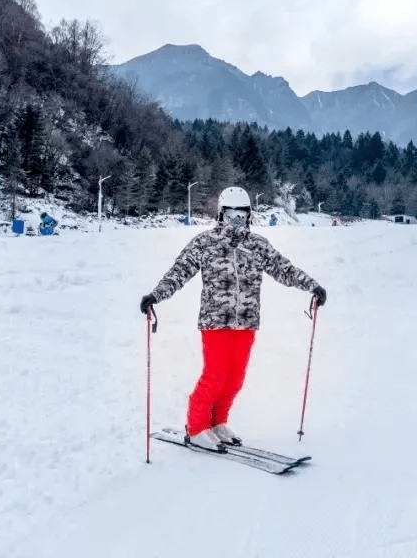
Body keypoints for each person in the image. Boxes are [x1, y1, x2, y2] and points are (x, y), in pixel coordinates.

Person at [140, 186, 327, 452]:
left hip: (247, 322)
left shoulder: (257, 245)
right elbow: (179, 272)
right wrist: (156, 295)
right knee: (215, 376)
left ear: (249, 214)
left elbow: (284, 269)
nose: (237, 217)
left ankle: (217, 422)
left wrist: (312, 286)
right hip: (216, 321)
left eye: (242, 212)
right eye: (231, 212)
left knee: (234, 379)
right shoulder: (205, 243)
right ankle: (196, 428)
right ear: (221, 213)